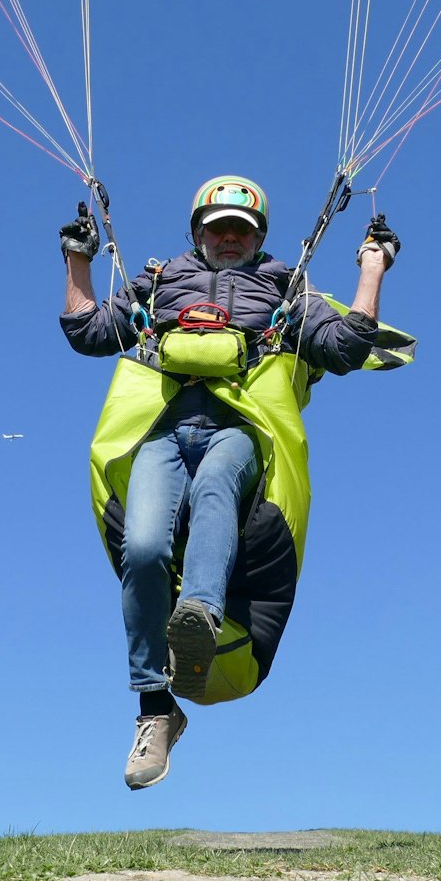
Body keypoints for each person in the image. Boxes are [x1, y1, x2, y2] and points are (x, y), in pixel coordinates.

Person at [58, 175, 401, 789]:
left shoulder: (284, 285)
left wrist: (372, 269)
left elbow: (346, 346)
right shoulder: (159, 281)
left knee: (218, 484)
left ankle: (199, 621)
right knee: (141, 548)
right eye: (217, 228)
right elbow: (89, 332)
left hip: (239, 424)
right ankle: (155, 708)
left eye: (241, 230)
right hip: (161, 427)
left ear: (259, 236)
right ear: (197, 233)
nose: (229, 239)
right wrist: (78, 261)